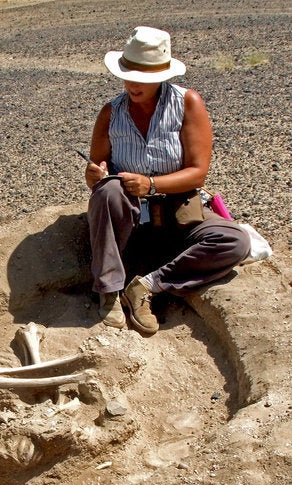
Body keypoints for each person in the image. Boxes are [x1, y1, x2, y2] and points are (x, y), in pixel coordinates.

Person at [84, 26, 250, 334]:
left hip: (178, 214)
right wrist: (94, 175)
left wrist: (153, 184)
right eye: (129, 73)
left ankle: (147, 286)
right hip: (130, 221)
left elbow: (198, 172)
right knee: (107, 191)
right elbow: (95, 171)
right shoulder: (111, 113)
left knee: (235, 241)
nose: (134, 83)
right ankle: (108, 291)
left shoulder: (187, 103)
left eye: (144, 77)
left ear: (162, 75)